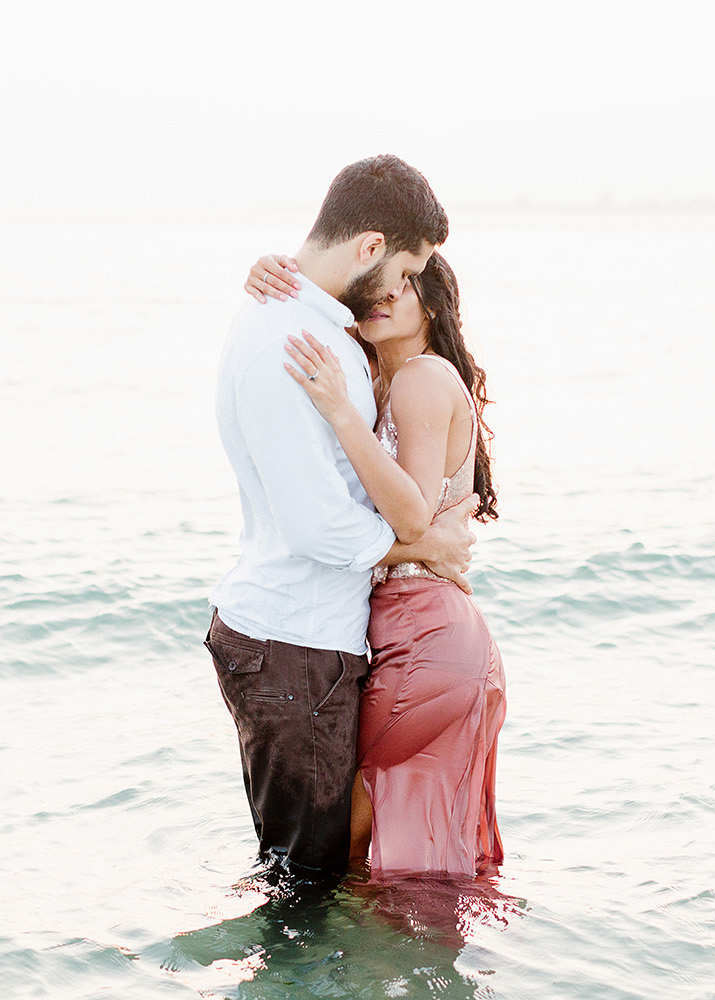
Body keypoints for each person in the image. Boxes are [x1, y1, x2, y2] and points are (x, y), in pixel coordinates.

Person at [207, 155, 478, 876]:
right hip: (295, 648)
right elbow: (319, 528)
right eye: (401, 270)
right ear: (369, 248)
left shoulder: (319, 325)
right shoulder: (292, 343)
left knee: (311, 873)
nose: (398, 288)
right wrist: (423, 550)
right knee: (306, 886)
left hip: (305, 645)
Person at [247, 250, 506, 879]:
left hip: (422, 636)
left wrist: (337, 410)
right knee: (395, 856)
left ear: (435, 306)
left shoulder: (418, 378)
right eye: (384, 285)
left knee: (349, 850)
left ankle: (292, 956)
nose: (386, 297)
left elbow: (411, 515)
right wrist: (263, 272)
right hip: (430, 635)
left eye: (409, 287)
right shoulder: (386, 376)